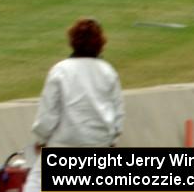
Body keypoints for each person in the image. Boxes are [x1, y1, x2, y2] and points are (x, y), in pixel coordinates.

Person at [22, 18, 124, 192]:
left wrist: (41, 140)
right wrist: (111, 141)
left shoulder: (60, 70)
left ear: (73, 41)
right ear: (100, 44)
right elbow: (117, 116)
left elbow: (48, 114)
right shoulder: (108, 72)